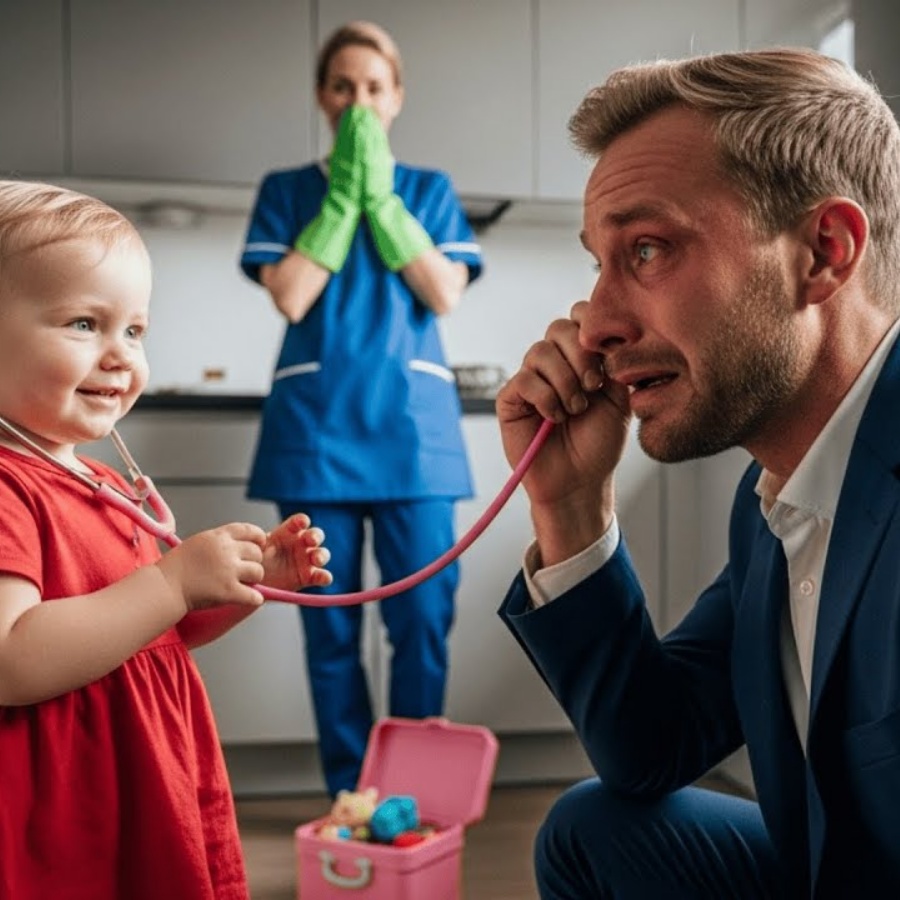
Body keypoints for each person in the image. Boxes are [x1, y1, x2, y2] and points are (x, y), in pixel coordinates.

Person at [495, 47, 900, 898]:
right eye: (598, 263)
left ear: (824, 251)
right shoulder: (778, 503)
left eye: (646, 250)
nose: (594, 322)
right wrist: (569, 504)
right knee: (594, 827)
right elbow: (648, 750)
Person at [0, 180, 333, 900]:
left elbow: (155, 634)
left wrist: (240, 585)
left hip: (148, 775)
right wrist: (171, 581)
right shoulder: (7, 488)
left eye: (135, 330)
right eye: (84, 323)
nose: (120, 354)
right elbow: (12, 659)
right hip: (69, 806)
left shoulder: (106, 482)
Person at [239, 20, 483, 796]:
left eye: (374, 88)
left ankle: (409, 792)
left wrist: (381, 199)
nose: (358, 102)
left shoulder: (430, 191)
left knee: (422, 623)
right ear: (322, 96)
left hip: (415, 438)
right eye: (343, 87)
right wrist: (345, 197)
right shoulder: (287, 190)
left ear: (397, 97)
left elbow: (444, 290)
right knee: (331, 625)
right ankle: (352, 792)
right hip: (316, 437)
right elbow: (293, 292)